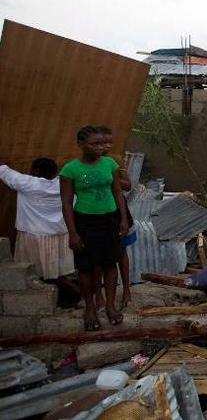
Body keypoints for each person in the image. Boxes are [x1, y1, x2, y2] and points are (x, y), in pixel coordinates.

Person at [60, 126, 129, 330]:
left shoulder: (110, 164)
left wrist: (123, 219)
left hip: (109, 220)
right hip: (85, 222)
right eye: (94, 144)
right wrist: (72, 232)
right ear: (81, 145)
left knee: (110, 265)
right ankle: (90, 308)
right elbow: (66, 203)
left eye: (101, 143)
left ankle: (109, 306)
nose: (100, 147)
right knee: (86, 268)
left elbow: (117, 193)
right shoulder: (70, 170)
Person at [0, 158, 74, 279]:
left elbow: (4, 171)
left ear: (36, 171)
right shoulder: (64, 184)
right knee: (59, 272)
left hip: (33, 235)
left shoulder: (26, 183)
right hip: (60, 234)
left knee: (32, 273)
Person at [94, 126, 134, 310]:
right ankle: (99, 296)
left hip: (117, 212)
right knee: (97, 258)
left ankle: (126, 291)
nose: (106, 146)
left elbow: (127, 186)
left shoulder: (114, 161)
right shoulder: (85, 163)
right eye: (102, 142)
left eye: (110, 142)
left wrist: (111, 181)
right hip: (95, 214)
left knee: (121, 253)